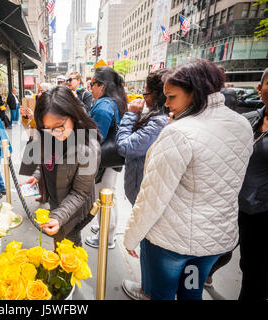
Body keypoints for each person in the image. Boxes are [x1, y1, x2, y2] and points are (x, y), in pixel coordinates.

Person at [123, 59, 254, 300]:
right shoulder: (242, 124)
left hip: (171, 246)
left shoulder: (179, 133)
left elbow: (153, 196)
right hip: (211, 244)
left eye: (172, 96)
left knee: (161, 294)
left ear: (195, 91)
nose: (167, 104)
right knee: (191, 291)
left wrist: (131, 235)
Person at [25, 85, 101, 248]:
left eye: (59, 126)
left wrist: (59, 216)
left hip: (75, 208)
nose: (55, 133)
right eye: (47, 128)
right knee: (59, 242)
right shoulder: (50, 134)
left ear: (73, 114)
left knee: (69, 247)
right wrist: (38, 174)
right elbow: (47, 159)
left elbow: (80, 193)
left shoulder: (87, 147)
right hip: (56, 199)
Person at [116, 69, 169, 300]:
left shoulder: (159, 122)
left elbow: (125, 146)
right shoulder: (158, 118)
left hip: (146, 191)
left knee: (150, 240)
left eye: (146, 93)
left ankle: (149, 290)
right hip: (142, 186)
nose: (143, 98)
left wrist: (130, 115)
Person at [85, 66, 128, 250]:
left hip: (105, 159)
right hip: (113, 159)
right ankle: (106, 228)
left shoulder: (103, 106)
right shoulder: (115, 101)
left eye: (92, 84)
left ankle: (107, 237)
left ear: (102, 86)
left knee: (105, 198)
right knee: (109, 195)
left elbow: (95, 138)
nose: (90, 88)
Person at [236, 68, 268, 300]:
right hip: (243, 207)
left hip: (265, 210)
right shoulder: (251, 119)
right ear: (260, 88)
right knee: (248, 266)